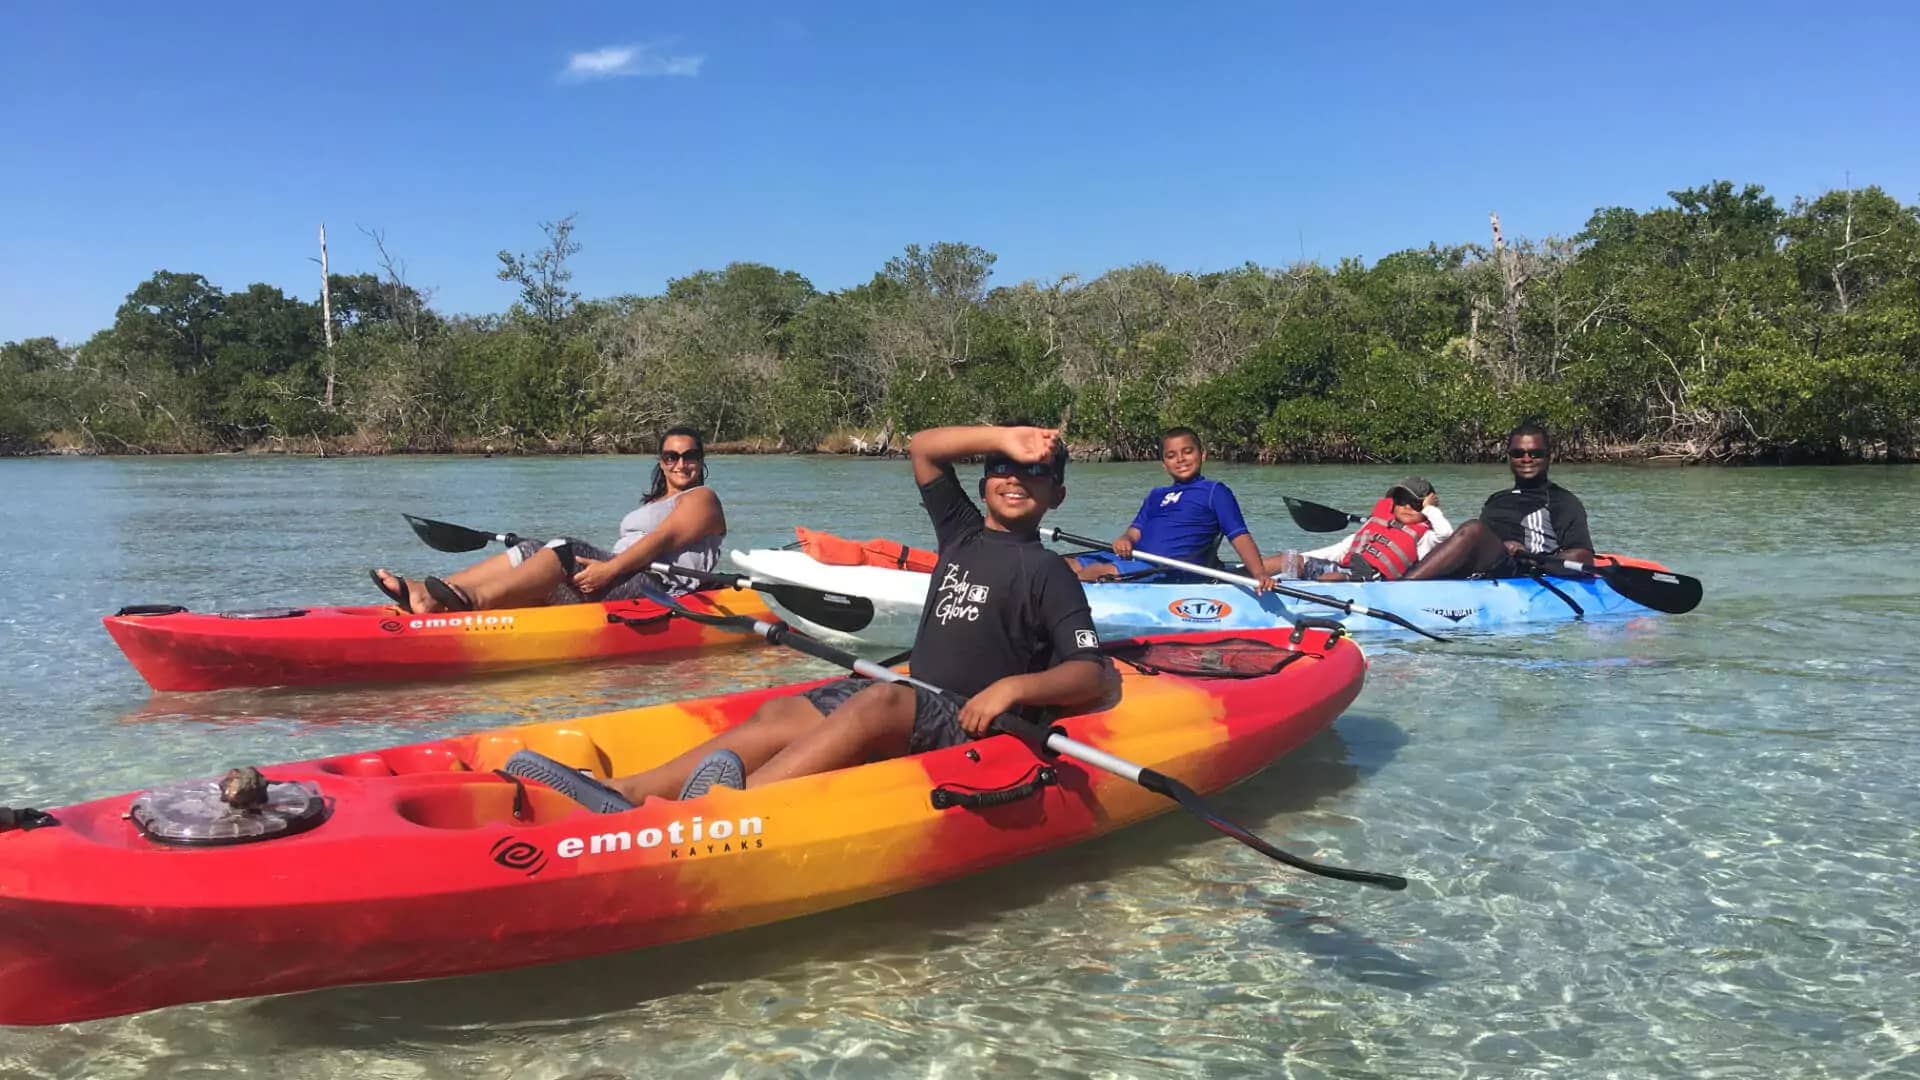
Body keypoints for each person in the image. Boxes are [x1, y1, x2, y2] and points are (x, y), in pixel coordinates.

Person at [594, 422, 1118, 803]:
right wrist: (1005, 437)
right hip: (920, 698)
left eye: (1035, 473)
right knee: (783, 714)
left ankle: (728, 809)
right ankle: (630, 791)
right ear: (983, 485)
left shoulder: (1049, 572)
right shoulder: (961, 533)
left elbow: (1087, 672)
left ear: (1059, 495)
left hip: (969, 722)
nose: (1015, 477)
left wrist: (1014, 690)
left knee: (881, 701)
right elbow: (925, 449)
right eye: (1002, 468)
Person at [369, 426, 726, 613]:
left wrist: (609, 571)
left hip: (657, 590)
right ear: (661, 461)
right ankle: (432, 595)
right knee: (532, 547)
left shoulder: (702, 498)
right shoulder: (656, 500)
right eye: (671, 456)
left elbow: (661, 541)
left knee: (565, 549)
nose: (681, 464)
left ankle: (473, 601)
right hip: (624, 575)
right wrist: (609, 569)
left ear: (701, 459)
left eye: (690, 455)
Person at [1071, 427, 1276, 591]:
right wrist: (1125, 539)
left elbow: (1238, 535)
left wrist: (1258, 574)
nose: (1180, 460)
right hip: (1136, 560)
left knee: (1092, 573)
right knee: (1063, 565)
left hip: (1171, 568)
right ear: (1164, 464)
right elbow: (1135, 530)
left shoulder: (1215, 491)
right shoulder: (1156, 495)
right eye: (1171, 455)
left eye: (1188, 452)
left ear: (1202, 455)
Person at [1403, 422, 1594, 580]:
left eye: (1535, 453)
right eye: (1518, 453)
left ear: (1548, 457)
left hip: (1522, 571)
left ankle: (1402, 587)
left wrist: (1533, 559)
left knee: (1473, 529)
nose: (1526, 459)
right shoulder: (1497, 499)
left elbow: (1583, 557)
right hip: (1485, 568)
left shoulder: (1562, 501)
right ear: (1509, 457)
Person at [1262, 478, 1455, 581]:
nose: (1407, 507)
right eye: (1401, 501)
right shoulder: (1376, 524)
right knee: (1288, 560)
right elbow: (1340, 550)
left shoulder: (1427, 537)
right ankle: (1242, 576)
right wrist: (1302, 559)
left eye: (1415, 503)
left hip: (1370, 581)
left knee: (1331, 578)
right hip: (1343, 568)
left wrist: (1430, 508)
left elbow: (1446, 534)